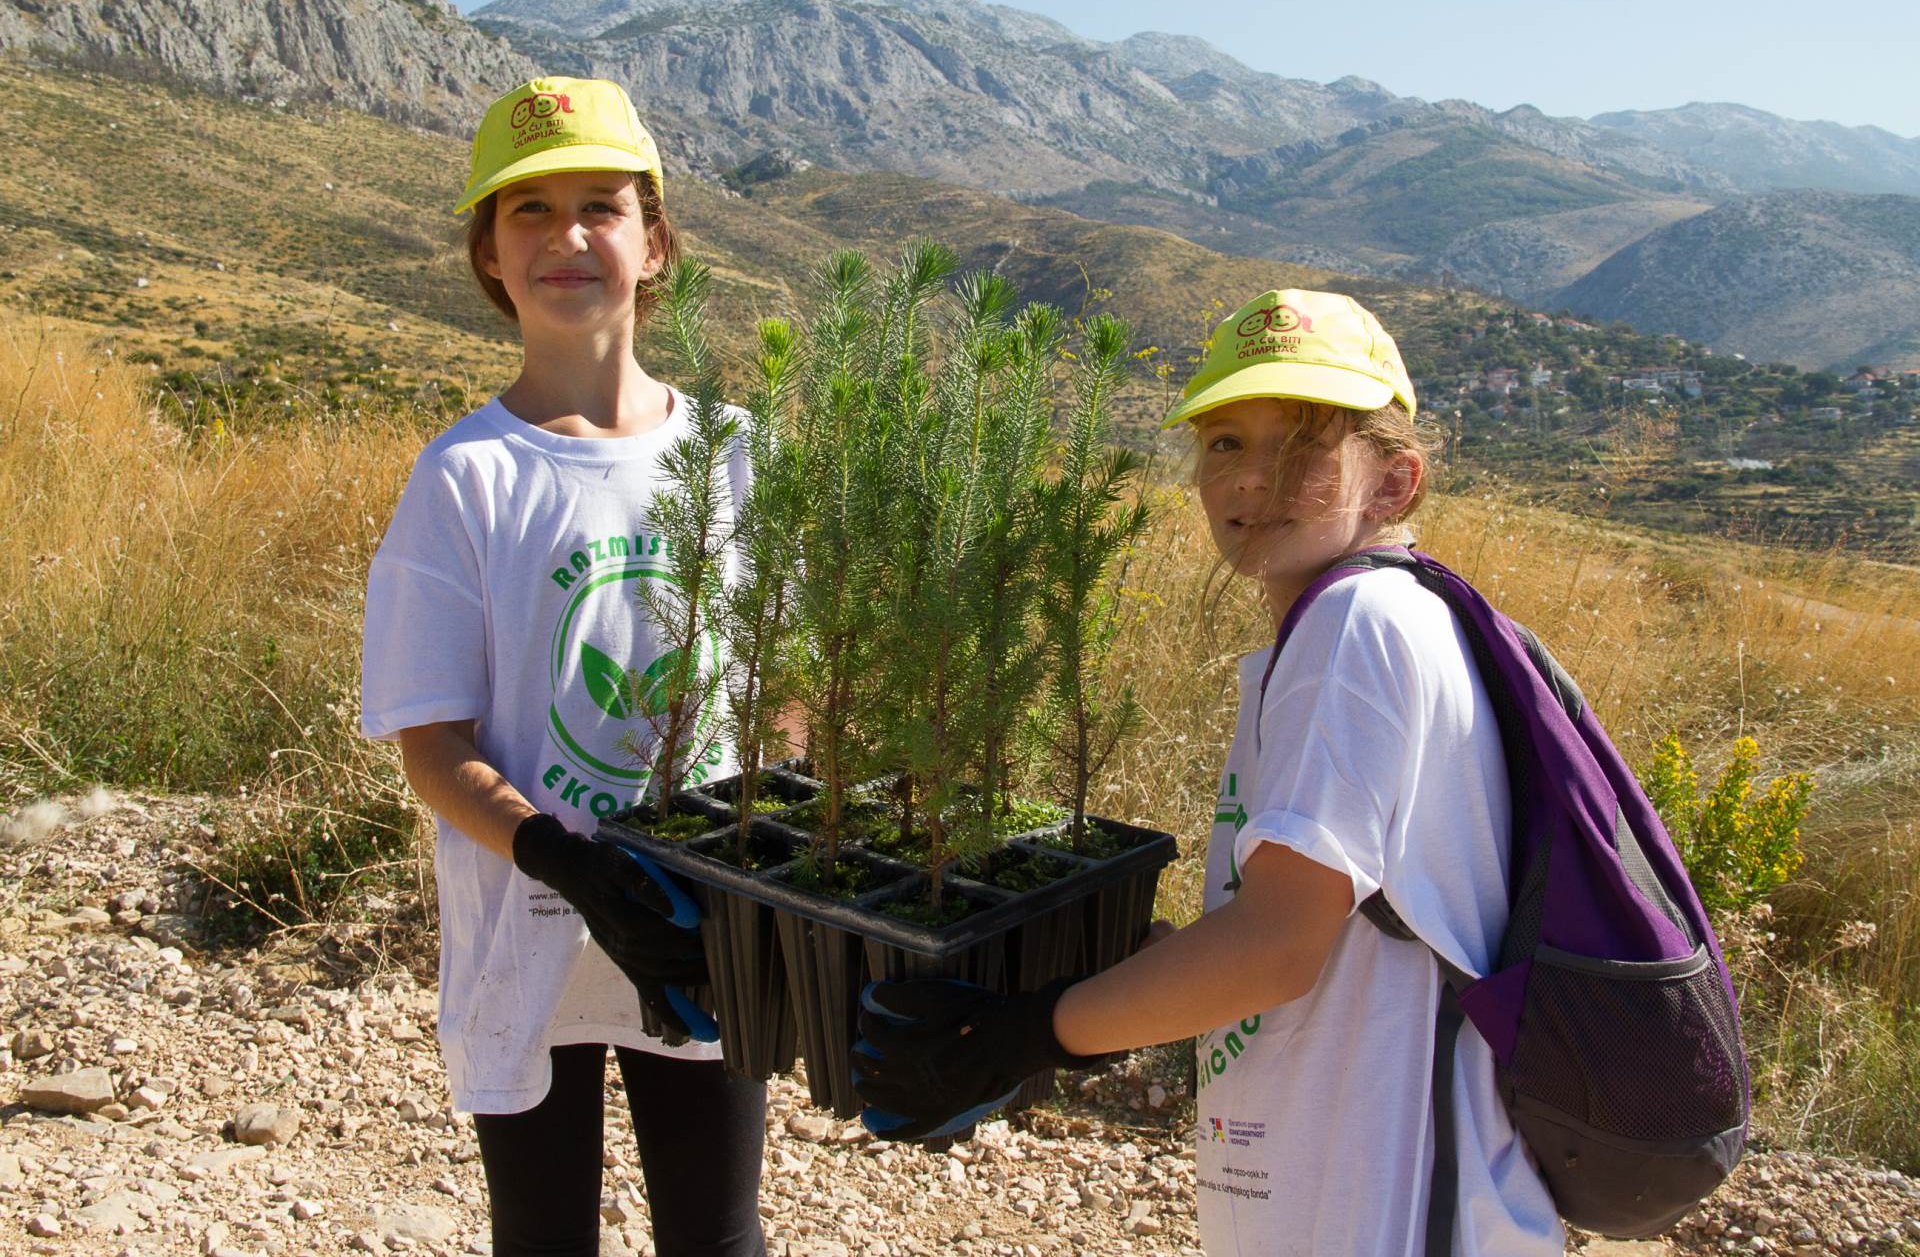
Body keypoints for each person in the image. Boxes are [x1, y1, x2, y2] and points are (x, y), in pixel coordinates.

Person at [852, 290, 1563, 1255]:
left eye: (1305, 444)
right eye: (1225, 442)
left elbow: (1277, 949)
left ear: (1395, 482)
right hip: (1340, 1183)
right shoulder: (1368, 623)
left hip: (1385, 1209)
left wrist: (1032, 1033)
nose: (1252, 478)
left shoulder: (1358, 630)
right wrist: (1140, 970)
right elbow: (1326, 937)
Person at [360, 77, 765, 1257]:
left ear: (655, 243)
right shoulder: (464, 478)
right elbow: (431, 742)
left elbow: (788, 695)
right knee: (541, 1232)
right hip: (526, 921)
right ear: (489, 253)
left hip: (704, 923)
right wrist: (560, 855)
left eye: (602, 204)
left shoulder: (741, 455)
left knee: (719, 1230)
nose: (568, 235)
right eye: (528, 210)